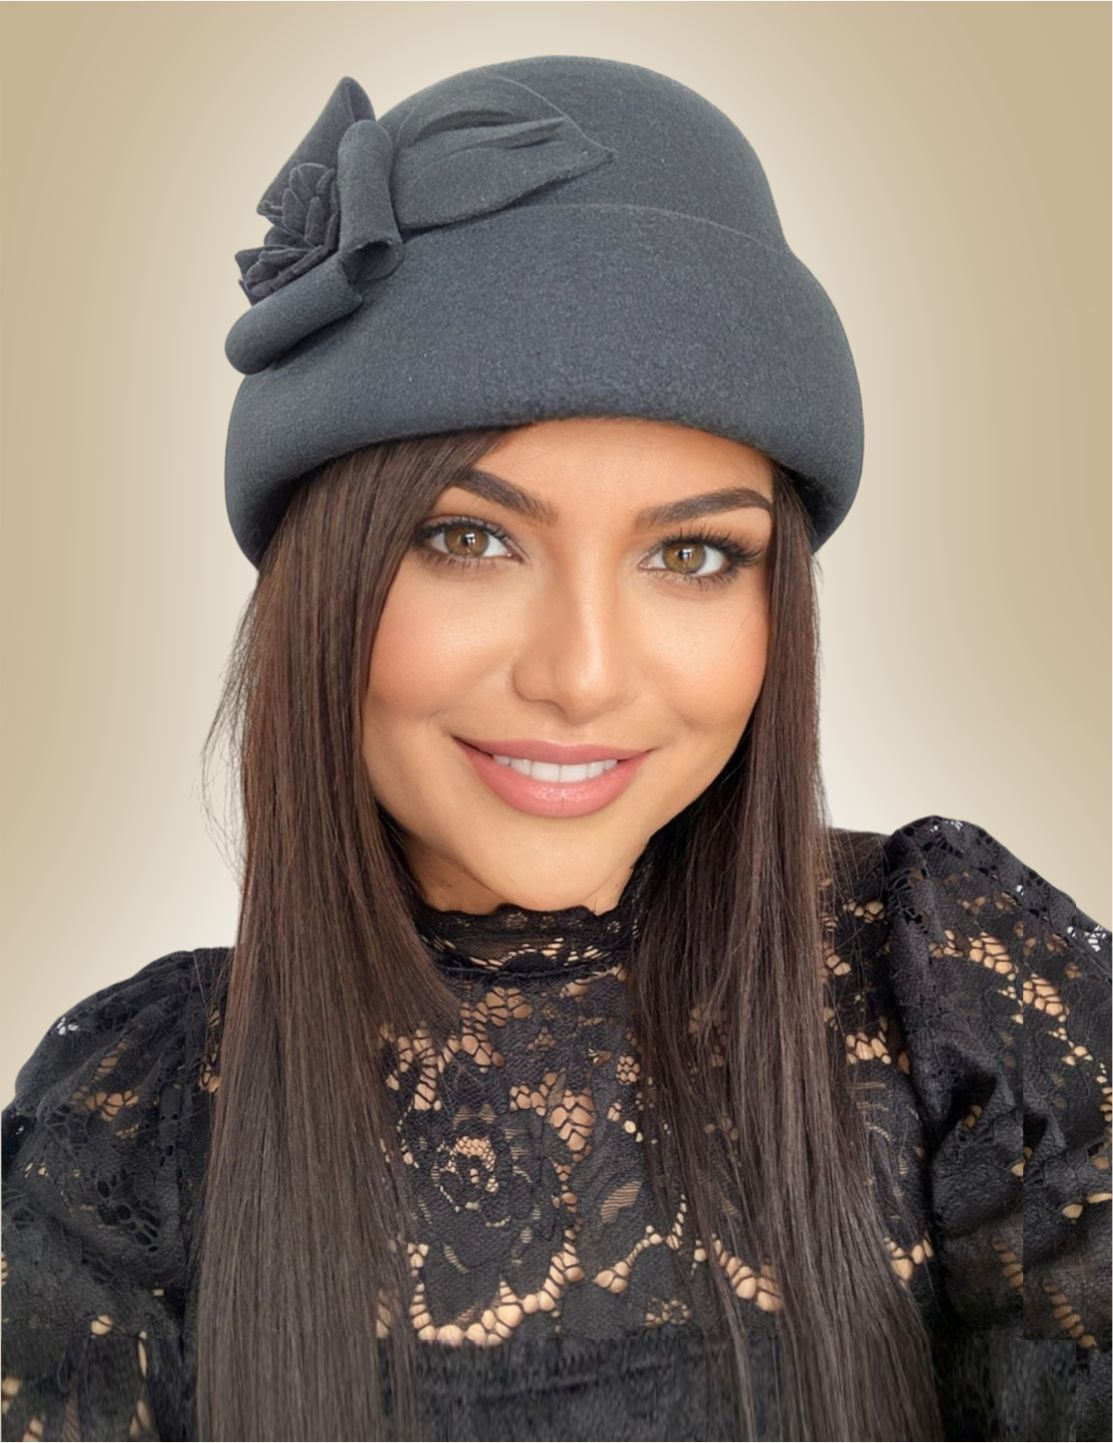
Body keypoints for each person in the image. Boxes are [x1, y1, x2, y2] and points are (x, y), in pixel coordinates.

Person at [2, 56, 1109, 1443]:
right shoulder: (133, 1124)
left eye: (693, 555)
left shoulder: (951, 988)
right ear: (322, 578)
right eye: (468, 538)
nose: (581, 676)